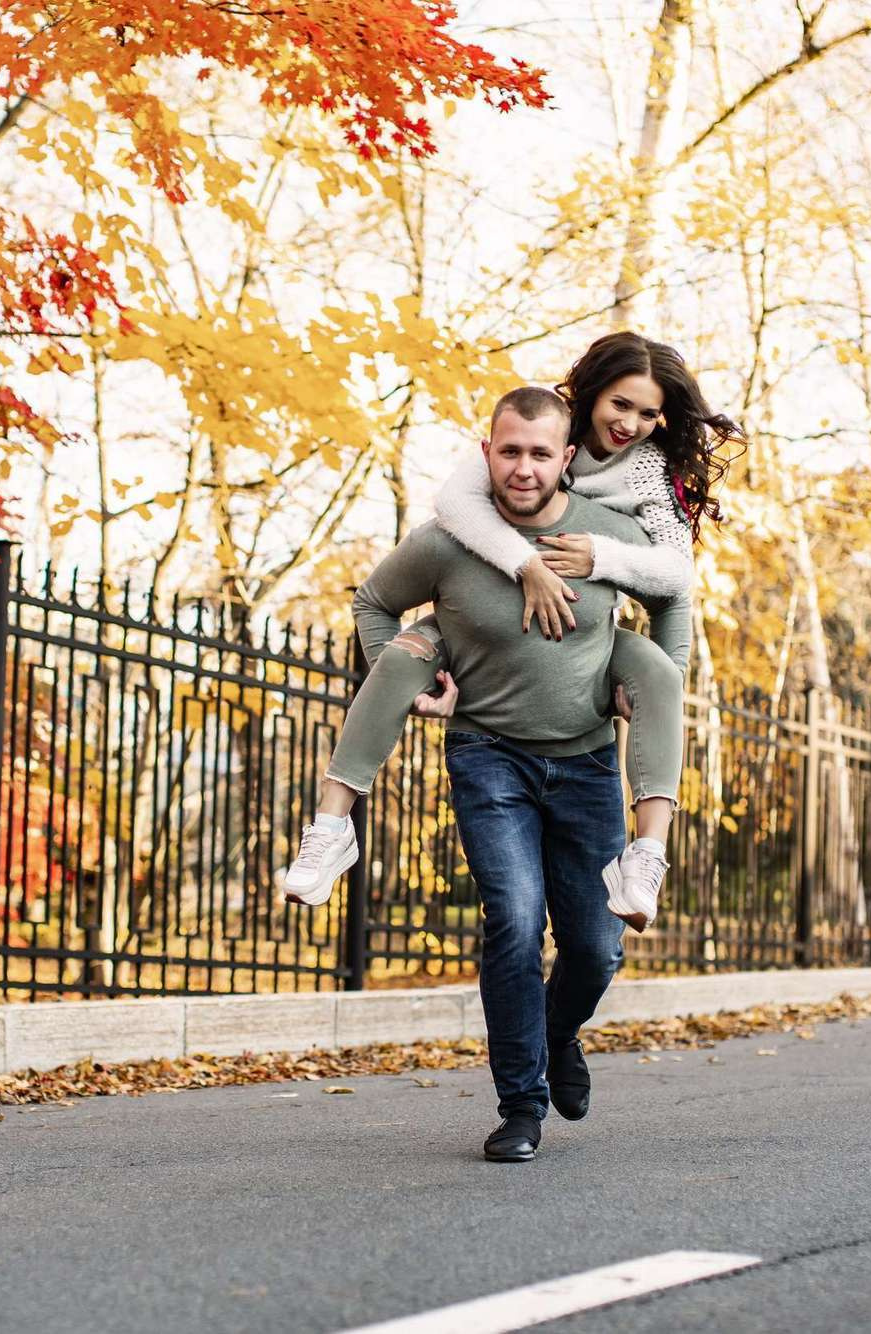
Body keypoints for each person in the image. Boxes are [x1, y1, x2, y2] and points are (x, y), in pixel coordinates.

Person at [331, 385, 693, 1162]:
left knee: (595, 946)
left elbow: (674, 596)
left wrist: (657, 682)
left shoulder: (607, 533)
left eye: (539, 453)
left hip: (586, 764)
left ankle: (556, 1035)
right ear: (486, 452)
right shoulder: (449, 540)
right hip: (488, 757)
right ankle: (521, 1105)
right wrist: (410, 680)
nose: (523, 468)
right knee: (516, 919)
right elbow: (373, 602)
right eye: (509, 451)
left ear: (566, 458)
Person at [281, 332, 740, 932]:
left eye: (649, 413)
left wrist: (602, 566)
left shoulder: (648, 473)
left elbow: (676, 579)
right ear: (591, 396)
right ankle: (330, 829)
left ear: (565, 458)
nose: (631, 424)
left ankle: (648, 854)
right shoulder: (534, 427)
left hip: (588, 656)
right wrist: (527, 567)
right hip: (480, 652)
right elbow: (453, 505)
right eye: (620, 404)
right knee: (403, 651)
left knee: (657, 671)